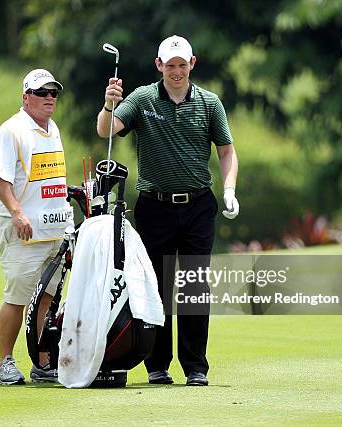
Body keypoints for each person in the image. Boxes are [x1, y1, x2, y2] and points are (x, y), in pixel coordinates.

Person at [96, 35, 239, 386]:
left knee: (193, 286)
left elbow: (226, 151)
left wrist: (230, 188)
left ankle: (195, 367)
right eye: (169, 65)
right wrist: (108, 105)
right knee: (155, 286)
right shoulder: (143, 98)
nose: (176, 71)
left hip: (197, 205)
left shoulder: (209, 103)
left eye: (182, 64)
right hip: (154, 206)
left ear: (193, 63)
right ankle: (156, 365)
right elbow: (106, 131)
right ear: (159, 65)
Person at [0, 69, 74, 385]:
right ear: (26, 97)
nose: (49, 97)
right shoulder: (10, 132)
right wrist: (17, 213)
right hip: (21, 231)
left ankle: (42, 362)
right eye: (42, 92)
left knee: (47, 299)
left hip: (52, 230)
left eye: (53, 92)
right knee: (18, 297)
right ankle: (5, 362)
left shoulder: (53, 129)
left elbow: (53, 180)